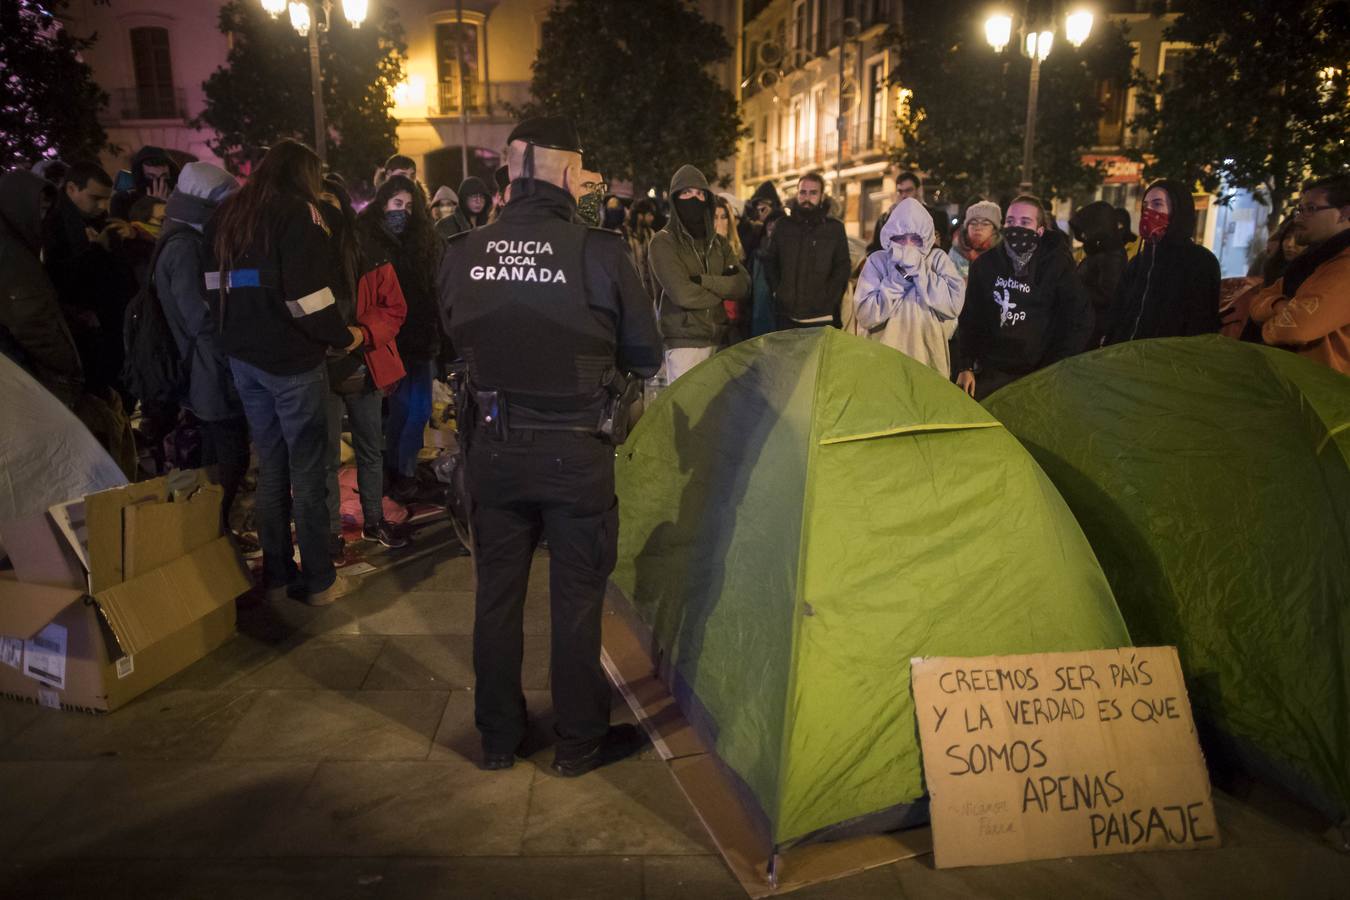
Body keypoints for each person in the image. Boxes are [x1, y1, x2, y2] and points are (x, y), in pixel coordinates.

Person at [437, 115, 663, 776]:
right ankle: (578, 741)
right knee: (576, 601)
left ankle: (498, 738)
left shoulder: (463, 250)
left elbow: (450, 334)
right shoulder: (600, 252)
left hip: (493, 449)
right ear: (568, 172)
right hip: (575, 452)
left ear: (510, 171)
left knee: (495, 598)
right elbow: (646, 355)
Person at [209, 138, 365, 606]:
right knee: (310, 471)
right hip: (292, 362)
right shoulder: (299, 213)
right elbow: (308, 297)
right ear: (304, 174)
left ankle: (276, 571)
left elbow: (212, 287)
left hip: (244, 360)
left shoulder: (228, 214)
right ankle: (318, 581)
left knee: (272, 466)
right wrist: (342, 336)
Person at [2, 171, 137, 475]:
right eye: (38, 210)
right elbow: (33, 321)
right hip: (45, 376)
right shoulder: (13, 257)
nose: (42, 218)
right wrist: (69, 371)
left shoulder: (23, 246)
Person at [154, 162, 249, 532]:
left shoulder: (184, 239)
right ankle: (214, 538)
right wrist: (233, 359)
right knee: (226, 462)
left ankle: (215, 536)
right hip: (210, 374)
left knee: (221, 461)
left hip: (207, 370)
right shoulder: (185, 248)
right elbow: (200, 318)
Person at [320, 177, 411, 557]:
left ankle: (374, 521)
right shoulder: (299, 251)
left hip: (365, 365)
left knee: (371, 450)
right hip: (320, 370)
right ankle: (330, 535)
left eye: (330, 202)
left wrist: (362, 333)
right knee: (325, 457)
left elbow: (395, 308)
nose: (323, 212)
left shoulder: (370, 252)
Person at [357, 175, 443, 504]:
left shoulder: (425, 242)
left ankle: (402, 469)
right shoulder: (369, 241)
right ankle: (399, 471)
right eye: (397, 204)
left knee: (418, 411)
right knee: (401, 410)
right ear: (382, 204)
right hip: (387, 340)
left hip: (419, 338)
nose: (402, 212)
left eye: (409, 206)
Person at [955, 195, 1092, 400]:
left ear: (1039, 230)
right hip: (991, 373)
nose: (1016, 227)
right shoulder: (985, 265)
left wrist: (1055, 366)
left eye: (1025, 222)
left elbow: (1079, 319)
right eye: (1010, 221)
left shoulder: (1057, 266)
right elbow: (970, 318)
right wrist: (965, 365)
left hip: (1039, 376)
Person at [42, 160, 138, 404]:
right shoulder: (55, 226)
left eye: (106, 199)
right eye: (96, 198)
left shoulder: (95, 219)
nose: (103, 206)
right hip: (87, 336)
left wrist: (129, 237)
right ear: (72, 189)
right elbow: (64, 281)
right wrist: (97, 249)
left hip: (110, 327)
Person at [649, 164, 750, 382]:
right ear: (675, 198)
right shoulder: (663, 242)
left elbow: (742, 285)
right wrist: (723, 290)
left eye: (700, 194)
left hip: (719, 342)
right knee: (688, 404)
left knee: (718, 404)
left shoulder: (719, 243)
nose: (694, 199)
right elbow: (683, 294)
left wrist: (705, 281)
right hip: (685, 344)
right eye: (687, 193)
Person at [1249, 174, 1350, 374]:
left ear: (1345, 213)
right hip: (1292, 378)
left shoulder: (1343, 266)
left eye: (1311, 209)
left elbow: (1296, 329)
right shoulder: (1307, 263)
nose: (1298, 218)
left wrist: (1269, 323)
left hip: (1325, 385)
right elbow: (1257, 302)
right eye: (1300, 210)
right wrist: (1280, 305)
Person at [853, 197, 965, 374]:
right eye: (900, 238)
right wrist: (898, 279)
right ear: (890, 236)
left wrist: (921, 272)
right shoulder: (878, 261)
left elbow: (953, 304)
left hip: (927, 361)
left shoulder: (937, 260)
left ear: (926, 238)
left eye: (915, 239)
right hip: (882, 362)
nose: (908, 245)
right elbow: (865, 315)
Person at [1103, 180, 1220, 345]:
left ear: (1177, 211)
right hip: (1126, 356)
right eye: (1145, 206)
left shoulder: (1200, 262)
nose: (1148, 211)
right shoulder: (1138, 263)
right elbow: (1117, 313)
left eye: (1157, 204)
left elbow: (1200, 325)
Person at [762, 171, 850, 330]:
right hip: (786, 315)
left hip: (822, 317)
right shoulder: (783, 225)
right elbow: (770, 261)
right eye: (803, 192)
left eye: (813, 193)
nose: (807, 198)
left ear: (822, 196)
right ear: (797, 194)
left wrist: (829, 298)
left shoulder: (834, 228)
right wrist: (778, 291)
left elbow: (842, 268)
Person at [1069, 200, 1129, 348]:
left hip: (1095, 329)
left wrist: (1075, 290)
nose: (1084, 235)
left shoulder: (1112, 255)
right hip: (1085, 323)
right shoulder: (1098, 251)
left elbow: (1108, 294)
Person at [867, 170, 952, 255]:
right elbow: (873, 250)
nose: (904, 195)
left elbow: (947, 248)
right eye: (900, 191)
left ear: (918, 191)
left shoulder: (938, 217)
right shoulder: (885, 219)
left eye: (908, 190)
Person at [713, 196, 749, 344]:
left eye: (723, 217)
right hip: (714, 322)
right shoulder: (703, 248)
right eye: (715, 217)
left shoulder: (736, 248)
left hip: (735, 321)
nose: (719, 223)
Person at [111, 145, 178, 220]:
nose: (160, 182)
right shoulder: (122, 201)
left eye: (164, 176)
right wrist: (151, 205)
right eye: (151, 177)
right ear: (140, 176)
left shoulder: (179, 201)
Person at [750, 208, 785, 337]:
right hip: (757, 312)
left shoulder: (787, 254)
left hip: (777, 314)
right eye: (769, 222)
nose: (771, 226)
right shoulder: (756, 253)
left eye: (776, 223)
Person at [947, 199, 1001, 281]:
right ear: (966, 227)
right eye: (973, 223)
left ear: (994, 230)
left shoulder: (1003, 253)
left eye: (985, 224)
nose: (978, 228)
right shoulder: (956, 251)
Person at [738, 180, 782, 260]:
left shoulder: (780, 221)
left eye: (763, 209)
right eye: (758, 208)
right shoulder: (753, 226)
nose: (760, 212)